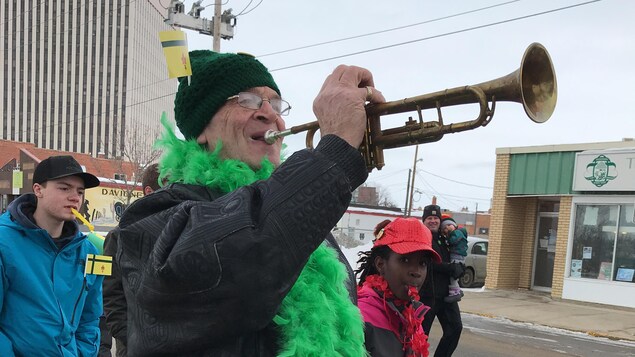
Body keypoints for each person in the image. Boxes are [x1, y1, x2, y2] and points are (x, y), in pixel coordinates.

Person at [115, 50, 385, 356]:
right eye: (247, 100)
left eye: (275, 103)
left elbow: (345, 324)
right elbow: (244, 258)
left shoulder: (298, 215)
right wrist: (332, 155)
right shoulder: (154, 217)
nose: (269, 113)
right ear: (201, 128)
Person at [0, 155, 104, 355]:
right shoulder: (5, 243)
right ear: (38, 190)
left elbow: (90, 318)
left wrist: (83, 353)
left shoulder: (88, 252)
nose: (75, 197)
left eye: (80, 191)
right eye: (64, 188)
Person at [355, 217, 441, 357]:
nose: (416, 272)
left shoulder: (412, 315)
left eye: (422, 263)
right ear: (381, 264)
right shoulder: (360, 317)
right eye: (405, 260)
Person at [103, 162, 162, 357]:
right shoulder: (119, 236)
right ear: (149, 191)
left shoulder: (184, 231)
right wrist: (132, 338)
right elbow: (111, 297)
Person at [419, 205, 465, 357]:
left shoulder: (445, 238)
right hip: (427, 296)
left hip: (447, 296)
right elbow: (426, 262)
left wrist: (459, 269)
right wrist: (449, 268)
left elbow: (456, 256)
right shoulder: (421, 237)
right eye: (429, 218)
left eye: (435, 218)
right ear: (424, 221)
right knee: (420, 335)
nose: (433, 221)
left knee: (455, 328)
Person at [440, 216, 468, 303]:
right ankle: (457, 290)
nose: (447, 228)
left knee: (453, 274)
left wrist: (447, 240)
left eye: (448, 225)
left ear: (454, 225)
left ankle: (455, 293)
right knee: (455, 273)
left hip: (457, 255)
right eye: (444, 228)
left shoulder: (457, 233)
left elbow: (453, 240)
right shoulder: (456, 232)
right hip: (458, 255)